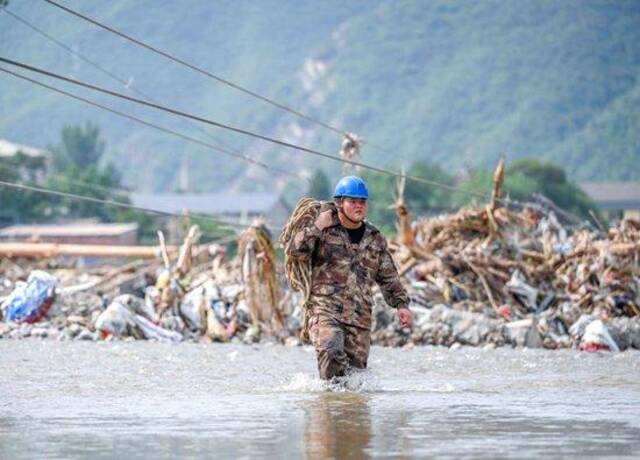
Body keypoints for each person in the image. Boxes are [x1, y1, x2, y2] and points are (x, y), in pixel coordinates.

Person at [286, 176, 412, 380]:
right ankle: (328, 408)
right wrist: (317, 227)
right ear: (339, 203)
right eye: (353, 201)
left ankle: (347, 409)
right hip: (325, 311)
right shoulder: (323, 230)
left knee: (355, 380)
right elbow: (295, 251)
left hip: (359, 318)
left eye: (362, 202)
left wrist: (402, 305)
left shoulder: (375, 238)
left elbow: (388, 276)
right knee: (331, 351)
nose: (358, 206)